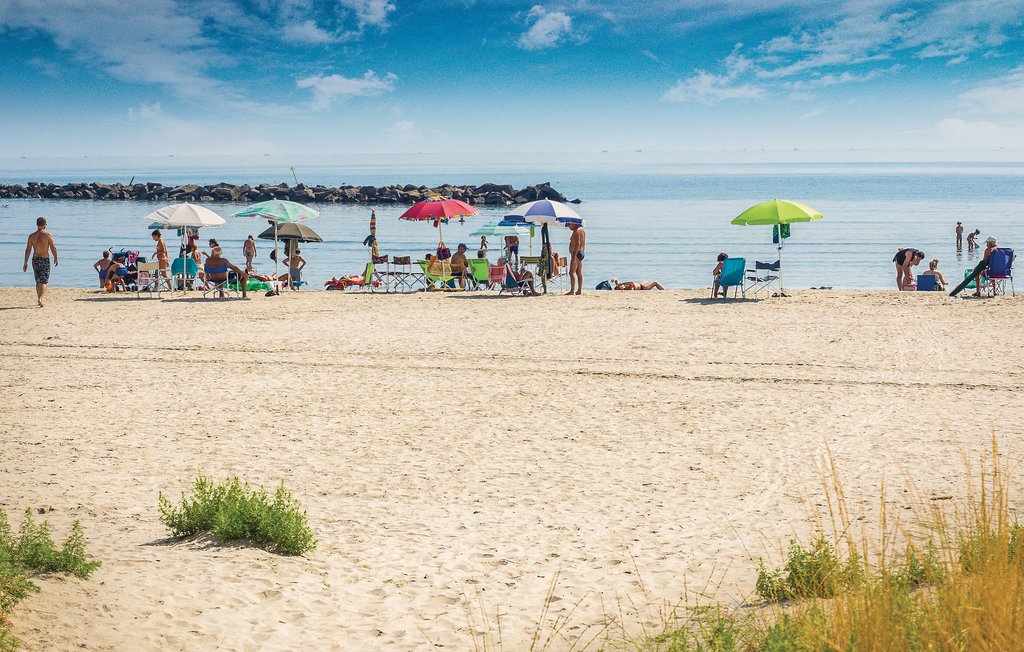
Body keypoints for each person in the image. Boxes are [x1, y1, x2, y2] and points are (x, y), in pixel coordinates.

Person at [23, 217, 58, 307]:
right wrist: (56, 258)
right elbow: (53, 247)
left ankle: (39, 298)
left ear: (37, 224)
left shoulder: (31, 236)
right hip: (44, 259)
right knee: (44, 281)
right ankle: (40, 298)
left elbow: (28, 250)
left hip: (35, 259)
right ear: (45, 224)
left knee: (38, 281)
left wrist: (25, 263)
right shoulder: (47, 235)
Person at [566, 223, 586, 295]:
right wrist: (582, 251)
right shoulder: (582, 230)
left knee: (571, 272)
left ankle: (572, 291)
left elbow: (578, 243)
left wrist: (574, 255)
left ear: (573, 223)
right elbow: (583, 243)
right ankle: (579, 290)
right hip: (580, 252)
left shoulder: (577, 231)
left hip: (576, 253)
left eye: (569, 224)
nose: (568, 226)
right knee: (579, 272)